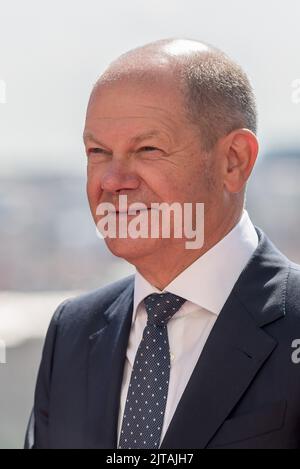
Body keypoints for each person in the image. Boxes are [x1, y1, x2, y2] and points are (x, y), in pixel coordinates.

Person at [25, 38, 300, 449]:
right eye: (98, 151)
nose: (113, 180)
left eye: (147, 149)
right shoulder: (73, 332)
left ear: (234, 161)